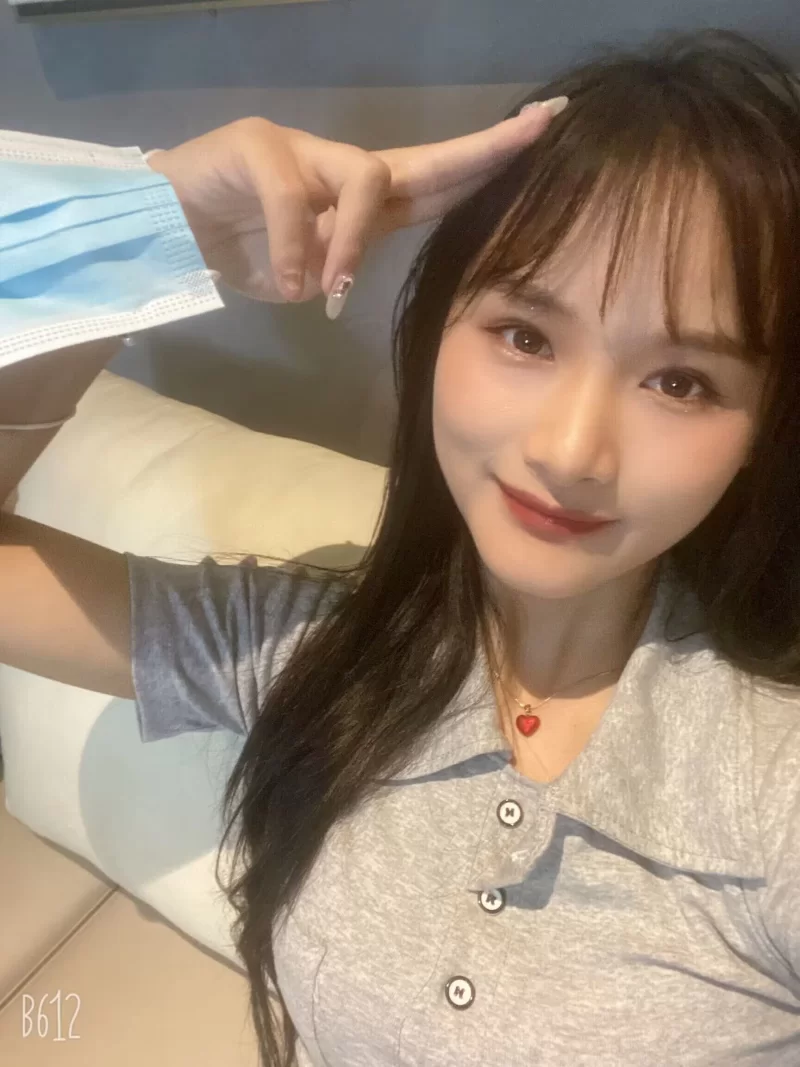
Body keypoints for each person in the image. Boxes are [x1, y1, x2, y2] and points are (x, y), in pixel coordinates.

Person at [2, 24, 800, 1067]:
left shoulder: (770, 786)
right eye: (525, 334)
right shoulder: (314, 654)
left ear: (762, 431)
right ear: (436, 335)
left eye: (680, 381)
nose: (570, 452)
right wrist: (145, 228)